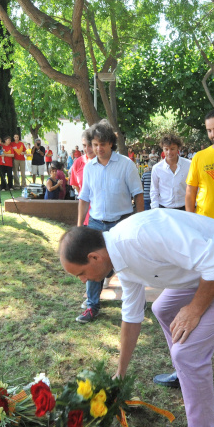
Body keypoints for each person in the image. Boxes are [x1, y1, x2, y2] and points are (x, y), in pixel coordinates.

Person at [58, 209, 214, 427]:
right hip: (206, 270)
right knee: (163, 308)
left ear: (94, 257)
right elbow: (131, 316)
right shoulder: (119, 257)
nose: (82, 281)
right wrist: (120, 372)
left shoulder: (140, 236)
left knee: (187, 353)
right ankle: (184, 373)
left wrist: (194, 309)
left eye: (80, 273)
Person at [76, 119, 144, 323]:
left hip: (121, 223)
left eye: (102, 144)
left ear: (111, 143)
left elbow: (138, 194)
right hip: (96, 223)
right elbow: (84, 198)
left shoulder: (126, 165)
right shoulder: (89, 168)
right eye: (94, 145)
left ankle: (135, 301)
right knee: (92, 265)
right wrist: (80, 225)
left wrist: (138, 222)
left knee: (127, 263)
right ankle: (92, 306)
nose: (98, 149)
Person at [151, 134, 191, 211]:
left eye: (172, 149)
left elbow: (195, 187)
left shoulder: (189, 165)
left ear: (178, 148)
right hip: (164, 209)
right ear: (162, 149)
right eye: (166, 149)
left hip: (185, 208)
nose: (169, 152)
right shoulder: (156, 168)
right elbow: (154, 191)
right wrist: (155, 209)